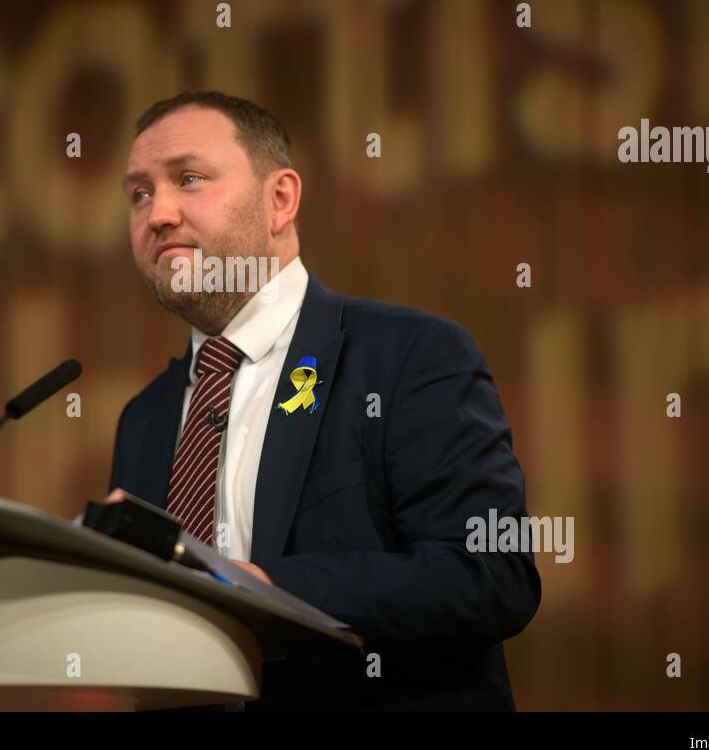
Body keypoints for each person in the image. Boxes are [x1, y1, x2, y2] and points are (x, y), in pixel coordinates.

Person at [109, 90, 540, 709]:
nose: (159, 214)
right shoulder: (143, 419)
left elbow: (491, 576)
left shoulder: (409, 356)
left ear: (279, 199)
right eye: (139, 194)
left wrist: (262, 589)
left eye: (189, 179)